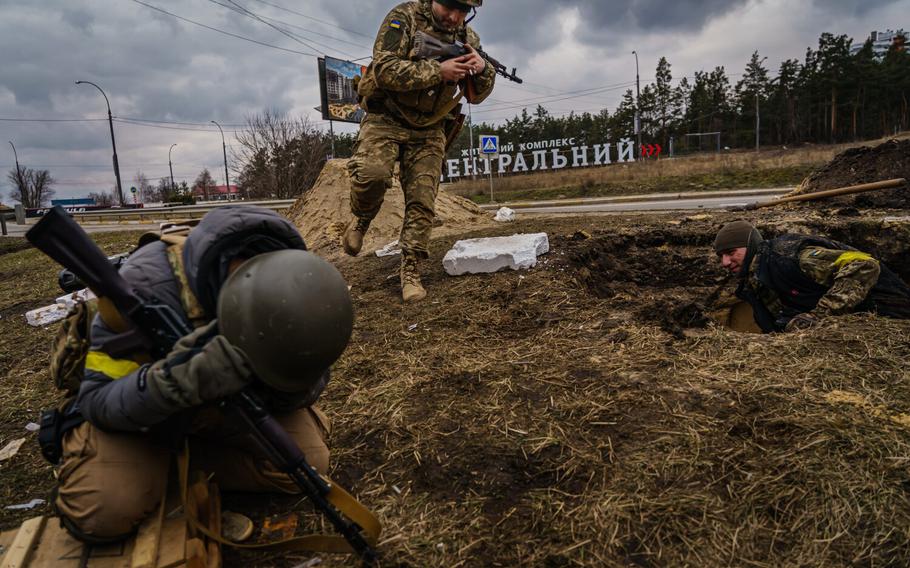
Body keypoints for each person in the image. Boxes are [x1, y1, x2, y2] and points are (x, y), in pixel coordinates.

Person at [53, 206, 354, 543]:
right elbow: (96, 400)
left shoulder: (298, 289)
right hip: (141, 418)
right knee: (102, 512)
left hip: (219, 409)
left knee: (305, 465)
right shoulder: (144, 287)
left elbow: (309, 381)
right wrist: (174, 381)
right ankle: (148, 467)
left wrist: (272, 383)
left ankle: (177, 468)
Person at [343, 0, 495, 302]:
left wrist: (482, 69)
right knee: (372, 176)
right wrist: (438, 71)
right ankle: (361, 218)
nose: (455, 17)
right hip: (386, 118)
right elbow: (385, 70)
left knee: (423, 200)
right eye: (450, 7)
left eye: (463, 11)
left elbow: (477, 96)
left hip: (429, 127)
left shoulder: (468, 39)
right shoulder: (404, 18)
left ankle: (411, 271)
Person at [713, 220, 910, 333]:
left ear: (751, 245)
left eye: (731, 252)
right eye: (721, 256)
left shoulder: (789, 257)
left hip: (893, 315)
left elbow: (864, 265)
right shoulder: (756, 281)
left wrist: (819, 316)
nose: (725, 262)